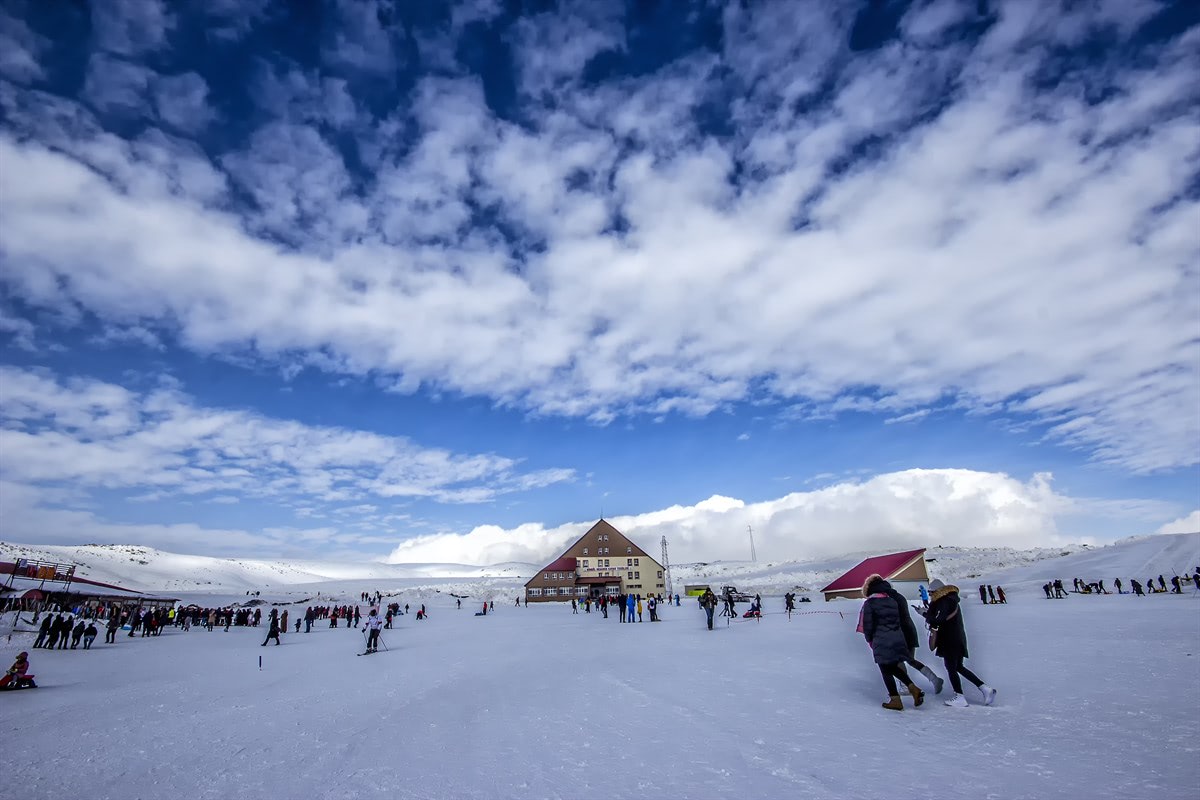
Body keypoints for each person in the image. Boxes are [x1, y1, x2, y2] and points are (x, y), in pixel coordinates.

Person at [925, 579, 996, 707]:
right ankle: (985, 688)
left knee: (951, 667)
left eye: (931, 592)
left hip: (949, 639)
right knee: (958, 667)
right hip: (956, 638)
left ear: (937, 591)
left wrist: (927, 615)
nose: (930, 595)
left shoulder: (943, 601)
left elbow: (939, 619)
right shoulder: (951, 599)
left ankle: (959, 696)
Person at [859, 575, 924, 711]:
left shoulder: (870, 603)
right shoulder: (891, 600)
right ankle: (913, 688)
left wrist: (869, 639)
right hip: (896, 637)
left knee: (885, 668)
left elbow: (868, 625)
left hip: (881, 639)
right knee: (893, 666)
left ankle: (895, 699)